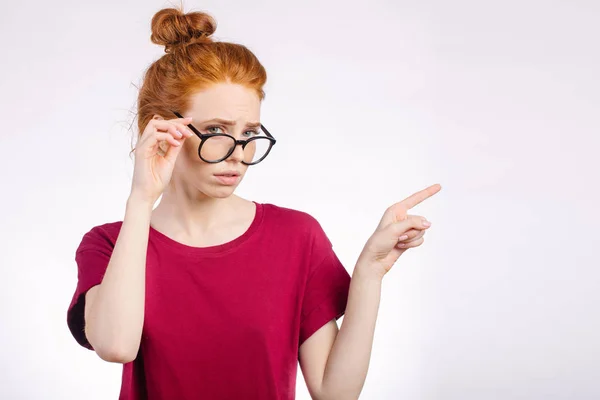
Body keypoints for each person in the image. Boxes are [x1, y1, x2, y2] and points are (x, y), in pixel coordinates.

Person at [67, 6, 441, 400]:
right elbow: (116, 346)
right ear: (161, 129)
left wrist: (369, 274)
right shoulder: (109, 244)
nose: (238, 154)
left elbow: (335, 393)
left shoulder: (296, 237)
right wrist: (141, 199)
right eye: (216, 130)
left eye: (249, 133)